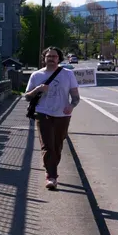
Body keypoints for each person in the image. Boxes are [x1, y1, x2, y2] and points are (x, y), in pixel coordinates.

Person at [24, 47, 81, 190]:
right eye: (48, 56)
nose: (51, 59)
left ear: (59, 59)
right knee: (47, 145)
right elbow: (27, 97)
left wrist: (71, 106)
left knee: (57, 145)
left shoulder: (68, 74)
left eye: (54, 56)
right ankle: (51, 176)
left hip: (63, 114)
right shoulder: (36, 75)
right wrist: (38, 89)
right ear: (44, 58)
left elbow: (76, 97)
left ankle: (50, 168)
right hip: (43, 113)